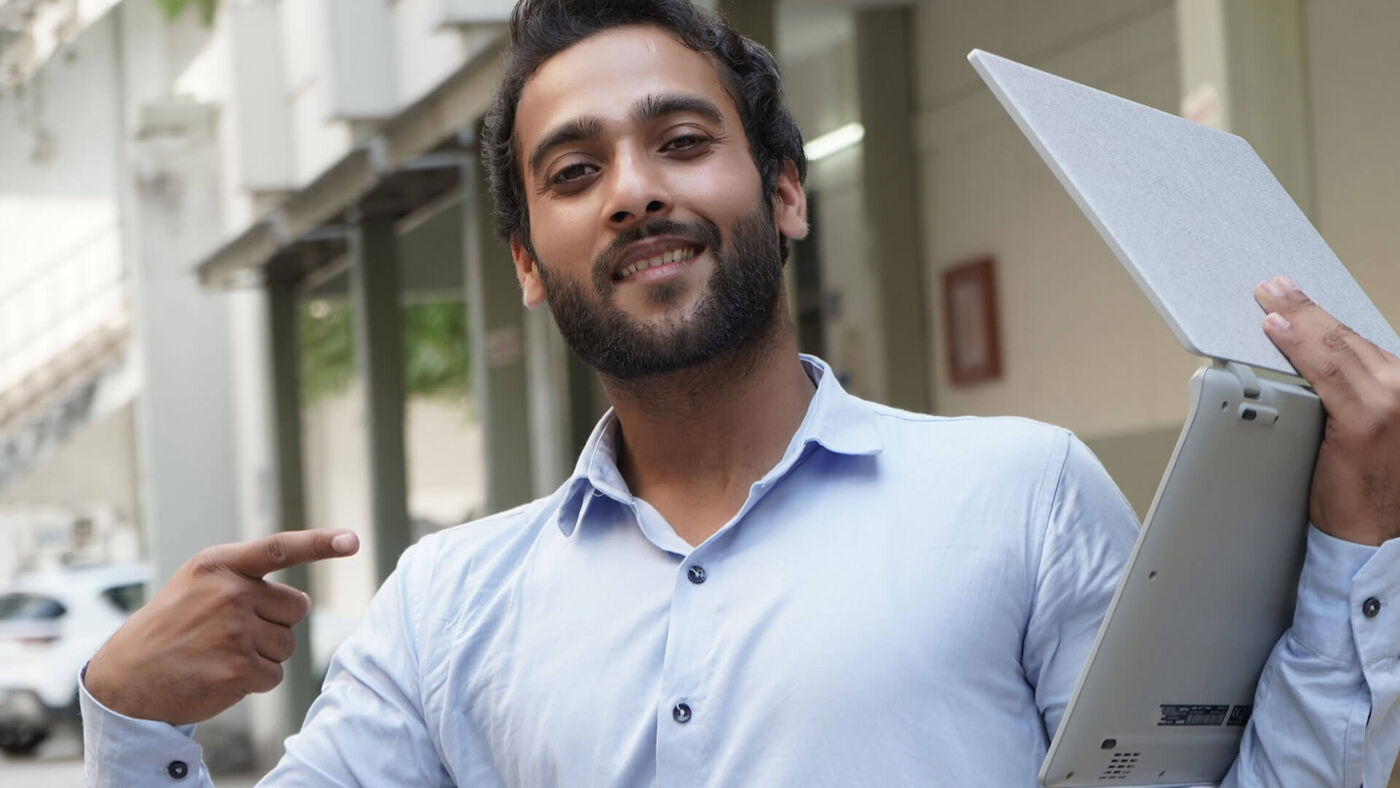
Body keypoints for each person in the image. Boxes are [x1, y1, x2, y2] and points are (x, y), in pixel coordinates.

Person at [82, 0, 1400, 784]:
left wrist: (1359, 544)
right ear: (530, 266)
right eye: (575, 169)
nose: (639, 188)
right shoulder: (448, 605)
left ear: (782, 191)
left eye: (682, 140)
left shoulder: (1019, 493)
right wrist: (133, 723)